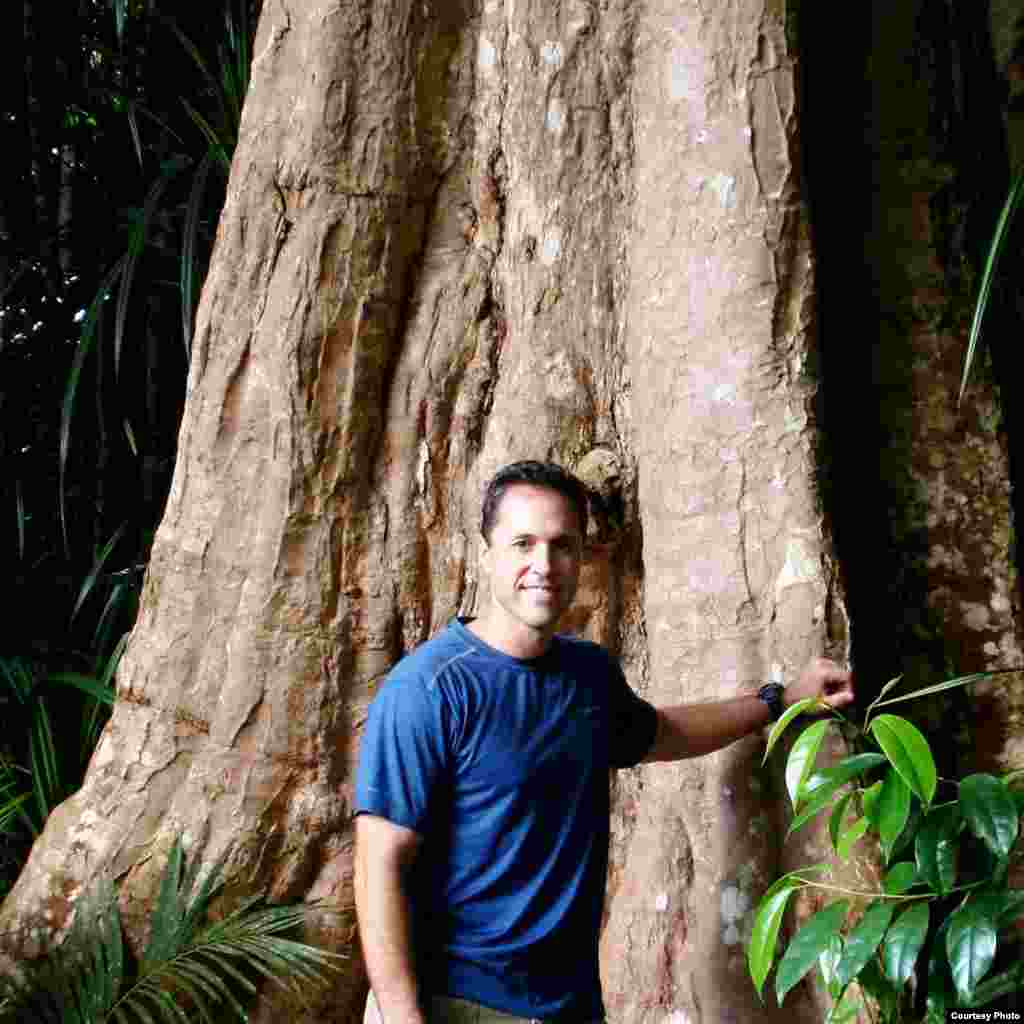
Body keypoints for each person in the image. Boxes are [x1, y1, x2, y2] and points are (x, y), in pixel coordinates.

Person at [354, 461, 854, 1024]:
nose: (542, 565)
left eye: (561, 546)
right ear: (487, 553)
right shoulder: (429, 689)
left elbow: (663, 734)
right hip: (454, 1004)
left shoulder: (587, 677)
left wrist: (778, 701)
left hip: (569, 1006)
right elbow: (379, 863)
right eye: (523, 543)